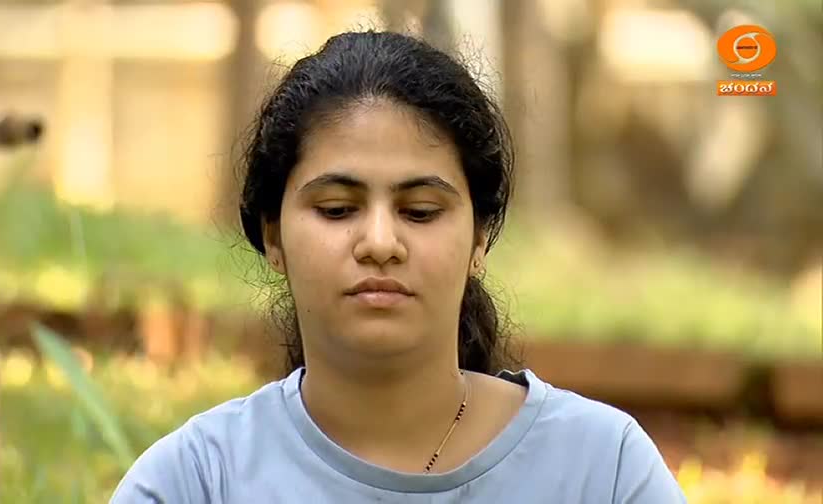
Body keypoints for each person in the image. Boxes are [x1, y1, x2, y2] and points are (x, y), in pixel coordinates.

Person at [110, 30, 687, 503]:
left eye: (420, 210)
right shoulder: (195, 482)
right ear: (273, 235)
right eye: (337, 209)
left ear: (479, 239)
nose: (380, 242)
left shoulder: (602, 469)